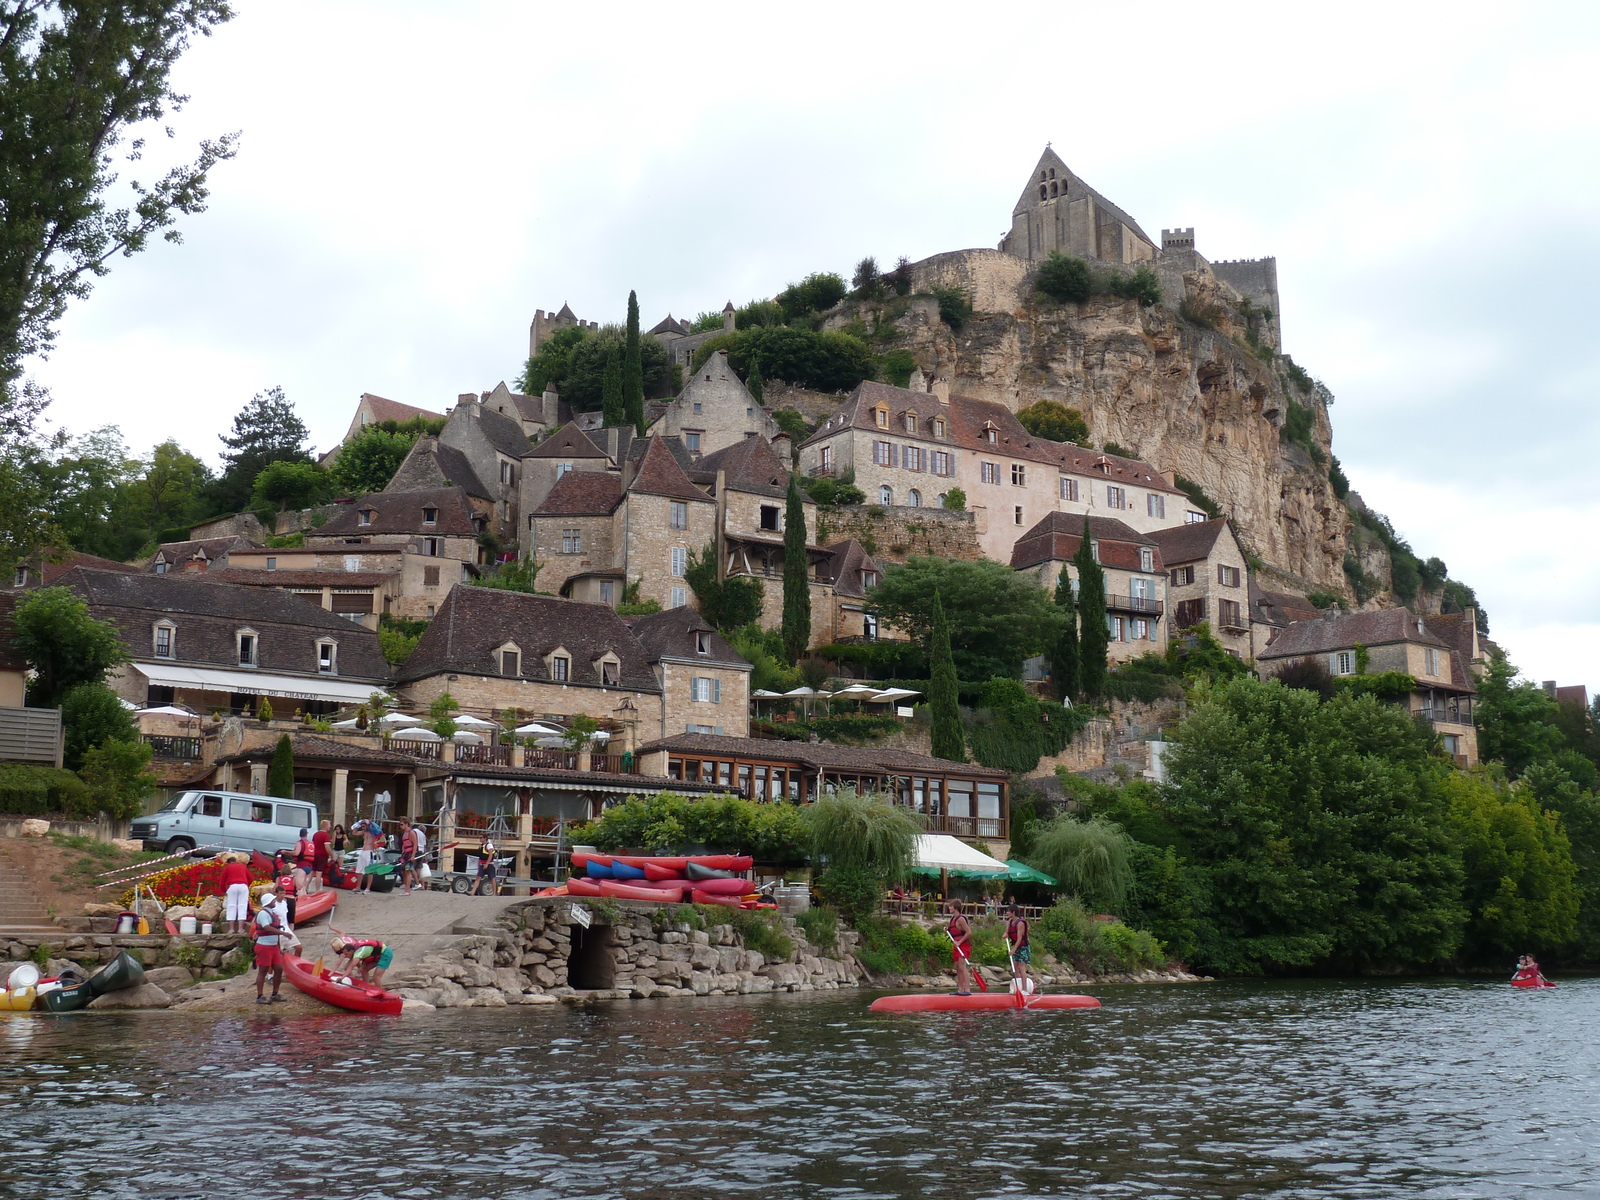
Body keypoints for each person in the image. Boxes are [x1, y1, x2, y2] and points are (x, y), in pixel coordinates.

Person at [252, 890, 287, 1004]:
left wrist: (278, 946)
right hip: (264, 946)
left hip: (273, 946)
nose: (275, 901)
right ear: (268, 902)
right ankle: (259, 996)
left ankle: (275, 993)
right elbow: (266, 927)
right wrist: (283, 933)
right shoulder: (263, 914)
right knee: (263, 970)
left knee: (279, 968)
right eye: (273, 900)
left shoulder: (271, 913)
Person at [1006, 903, 1035, 996]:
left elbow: (1019, 938)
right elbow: (1007, 932)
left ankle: (1025, 989)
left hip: (1023, 947)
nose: (1007, 913)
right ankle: (1018, 987)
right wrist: (1005, 935)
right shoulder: (1010, 921)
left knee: (1021, 967)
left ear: (1013, 912)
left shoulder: (1020, 923)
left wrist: (1013, 950)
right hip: (1016, 946)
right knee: (1014, 966)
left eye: (1008, 911)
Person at [946, 901, 975, 996]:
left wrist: (959, 942)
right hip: (956, 945)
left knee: (962, 966)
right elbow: (955, 930)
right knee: (958, 967)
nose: (949, 908)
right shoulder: (953, 919)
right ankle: (960, 989)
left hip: (963, 945)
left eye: (950, 906)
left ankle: (967, 989)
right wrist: (947, 929)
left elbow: (969, 932)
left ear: (955, 907)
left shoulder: (961, 919)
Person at [220, 852, 252, 935]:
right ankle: (240, 929)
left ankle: (231, 929)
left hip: (232, 886)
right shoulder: (242, 866)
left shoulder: (228, 868)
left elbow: (222, 882)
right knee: (242, 906)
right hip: (243, 886)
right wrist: (246, 885)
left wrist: (224, 891)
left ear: (228, 862)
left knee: (231, 906)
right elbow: (250, 878)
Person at [397, 819, 419, 895]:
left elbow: (415, 844)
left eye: (402, 824)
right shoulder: (404, 833)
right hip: (405, 854)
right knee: (404, 871)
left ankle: (407, 890)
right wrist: (403, 854)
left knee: (408, 871)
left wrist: (413, 855)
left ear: (407, 824)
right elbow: (404, 844)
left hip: (410, 853)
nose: (400, 826)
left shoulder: (411, 832)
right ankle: (406, 889)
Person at [311, 820, 331, 894]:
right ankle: (317, 890)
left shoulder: (316, 834)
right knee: (319, 873)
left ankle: (305, 887)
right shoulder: (326, 835)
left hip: (314, 855)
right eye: (329, 825)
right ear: (325, 826)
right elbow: (327, 847)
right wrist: (332, 855)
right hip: (322, 856)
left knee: (312, 872)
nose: (330, 826)